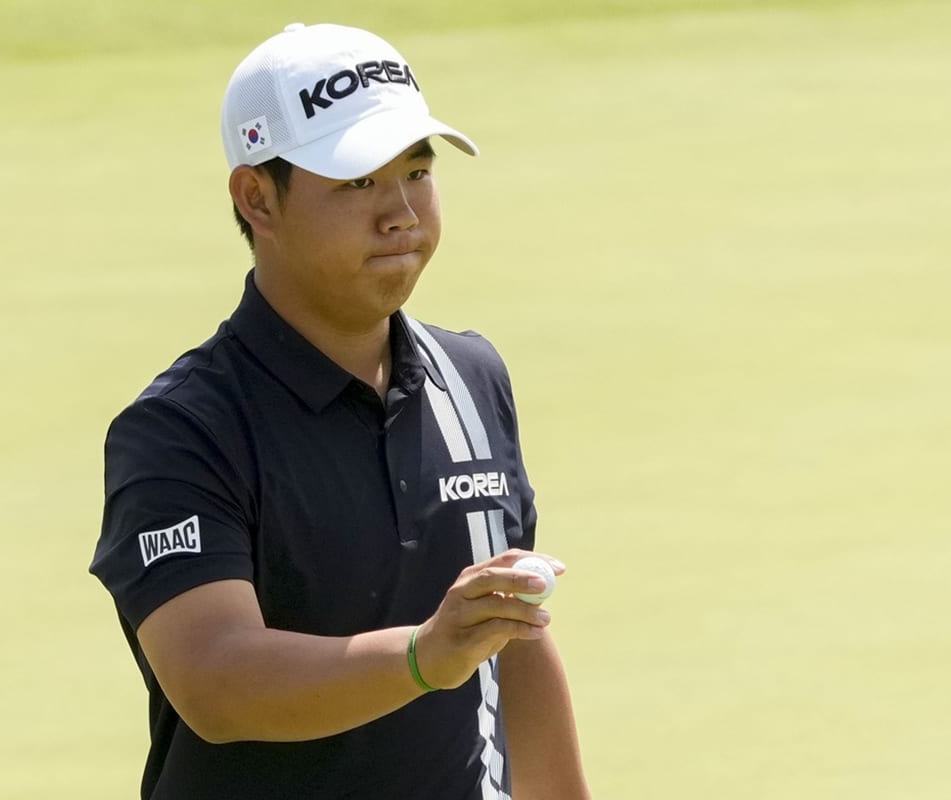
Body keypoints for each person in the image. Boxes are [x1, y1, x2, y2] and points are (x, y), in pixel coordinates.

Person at [90, 22, 590, 800]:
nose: (400, 213)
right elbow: (216, 679)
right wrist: (426, 654)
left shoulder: (471, 376)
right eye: (357, 183)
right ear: (257, 197)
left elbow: (512, 643)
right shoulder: (182, 430)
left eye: (417, 172)